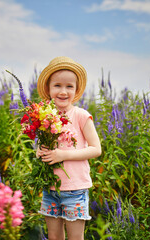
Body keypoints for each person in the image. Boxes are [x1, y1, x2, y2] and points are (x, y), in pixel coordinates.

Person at [36, 56, 102, 240]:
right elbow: (42, 146)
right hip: (50, 188)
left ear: (76, 90)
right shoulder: (45, 116)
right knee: (54, 236)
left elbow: (96, 149)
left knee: (75, 237)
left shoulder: (81, 115)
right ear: (48, 89)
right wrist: (40, 152)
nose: (63, 91)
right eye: (57, 85)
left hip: (75, 189)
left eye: (69, 86)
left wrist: (63, 155)